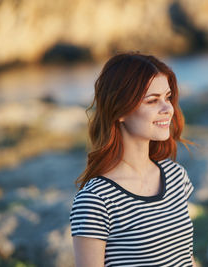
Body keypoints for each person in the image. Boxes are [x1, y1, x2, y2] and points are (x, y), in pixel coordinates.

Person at [69, 52, 196, 267]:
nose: (168, 109)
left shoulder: (176, 176)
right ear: (120, 111)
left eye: (167, 97)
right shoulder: (95, 199)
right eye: (152, 101)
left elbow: (185, 258)